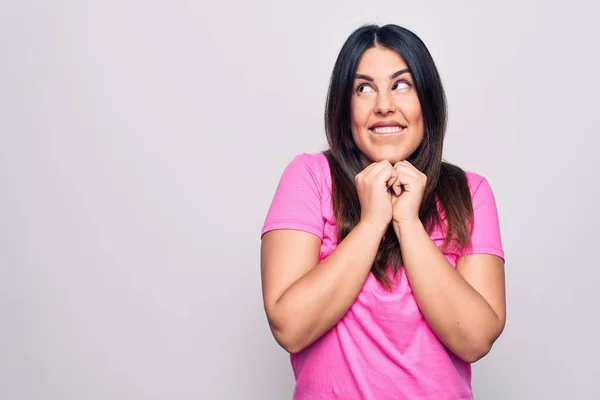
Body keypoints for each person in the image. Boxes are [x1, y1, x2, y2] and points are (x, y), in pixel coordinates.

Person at [260, 23, 506, 400]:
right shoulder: (309, 177)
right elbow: (290, 328)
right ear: (345, 109)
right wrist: (373, 222)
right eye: (364, 88)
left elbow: (474, 339)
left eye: (401, 85)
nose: (384, 105)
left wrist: (407, 223)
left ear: (428, 100)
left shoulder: (470, 193)